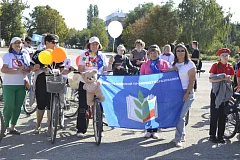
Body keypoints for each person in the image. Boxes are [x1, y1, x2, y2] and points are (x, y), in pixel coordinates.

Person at [31, 34, 74, 134]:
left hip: (54, 80)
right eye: (53, 42)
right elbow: (31, 68)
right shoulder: (38, 53)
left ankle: (50, 126)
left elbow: (62, 70)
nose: (55, 45)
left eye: (56, 43)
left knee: (51, 104)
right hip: (41, 80)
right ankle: (38, 125)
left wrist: (69, 70)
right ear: (47, 43)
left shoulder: (58, 54)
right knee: (41, 104)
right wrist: (37, 68)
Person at [77, 36, 110, 137]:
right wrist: (86, 74)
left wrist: (110, 65)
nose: (94, 46)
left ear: (99, 45)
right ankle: (81, 129)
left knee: (100, 105)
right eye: (92, 44)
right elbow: (81, 68)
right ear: (89, 45)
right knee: (83, 105)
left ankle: (99, 128)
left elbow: (105, 69)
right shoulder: (84, 55)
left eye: (96, 44)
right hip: (86, 82)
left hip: (98, 82)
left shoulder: (102, 56)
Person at [1, 37, 31, 135]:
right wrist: (17, 70)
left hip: (22, 84)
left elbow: (28, 70)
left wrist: (30, 69)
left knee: (18, 107)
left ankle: (12, 128)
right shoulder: (7, 56)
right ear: (11, 45)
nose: (18, 45)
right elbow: (3, 70)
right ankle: (4, 127)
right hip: (9, 84)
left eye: (20, 43)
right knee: (9, 106)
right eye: (15, 43)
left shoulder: (25, 55)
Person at [140, 44, 170, 139]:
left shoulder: (164, 63)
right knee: (148, 110)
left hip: (160, 90)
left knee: (158, 110)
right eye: (151, 53)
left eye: (155, 52)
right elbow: (141, 76)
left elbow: (169, 76)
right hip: (148, 90)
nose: (153, 55)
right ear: (148, 54)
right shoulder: (145, 64)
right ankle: (148, 130)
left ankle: (156, 130)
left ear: (158, 53)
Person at [171, 44, 196, 147]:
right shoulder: (174, 64)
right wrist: (172, 69)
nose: (180, 52)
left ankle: (178, 139)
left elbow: (192, 80)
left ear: (185, 52)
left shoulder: (190, 64)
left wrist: (187, 93)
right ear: (175, 53)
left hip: (187, 92)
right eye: (178, 51)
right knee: (180, 115)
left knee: (180, 116)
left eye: (182, 51)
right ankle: (182, 134)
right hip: (176, 92)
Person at [208, 48, 234, 144]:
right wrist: (222, 78)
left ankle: (220, 135)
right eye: (223, 55)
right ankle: (212, 135)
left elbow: (231, 81)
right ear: (219, 56)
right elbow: (211, 79)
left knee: (223, 115)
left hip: (225, 94)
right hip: (216, 92)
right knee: (215, 114)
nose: (225, 57)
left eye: (226, 55)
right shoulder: (215, 66)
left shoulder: (230, 67)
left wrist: (229, 80)